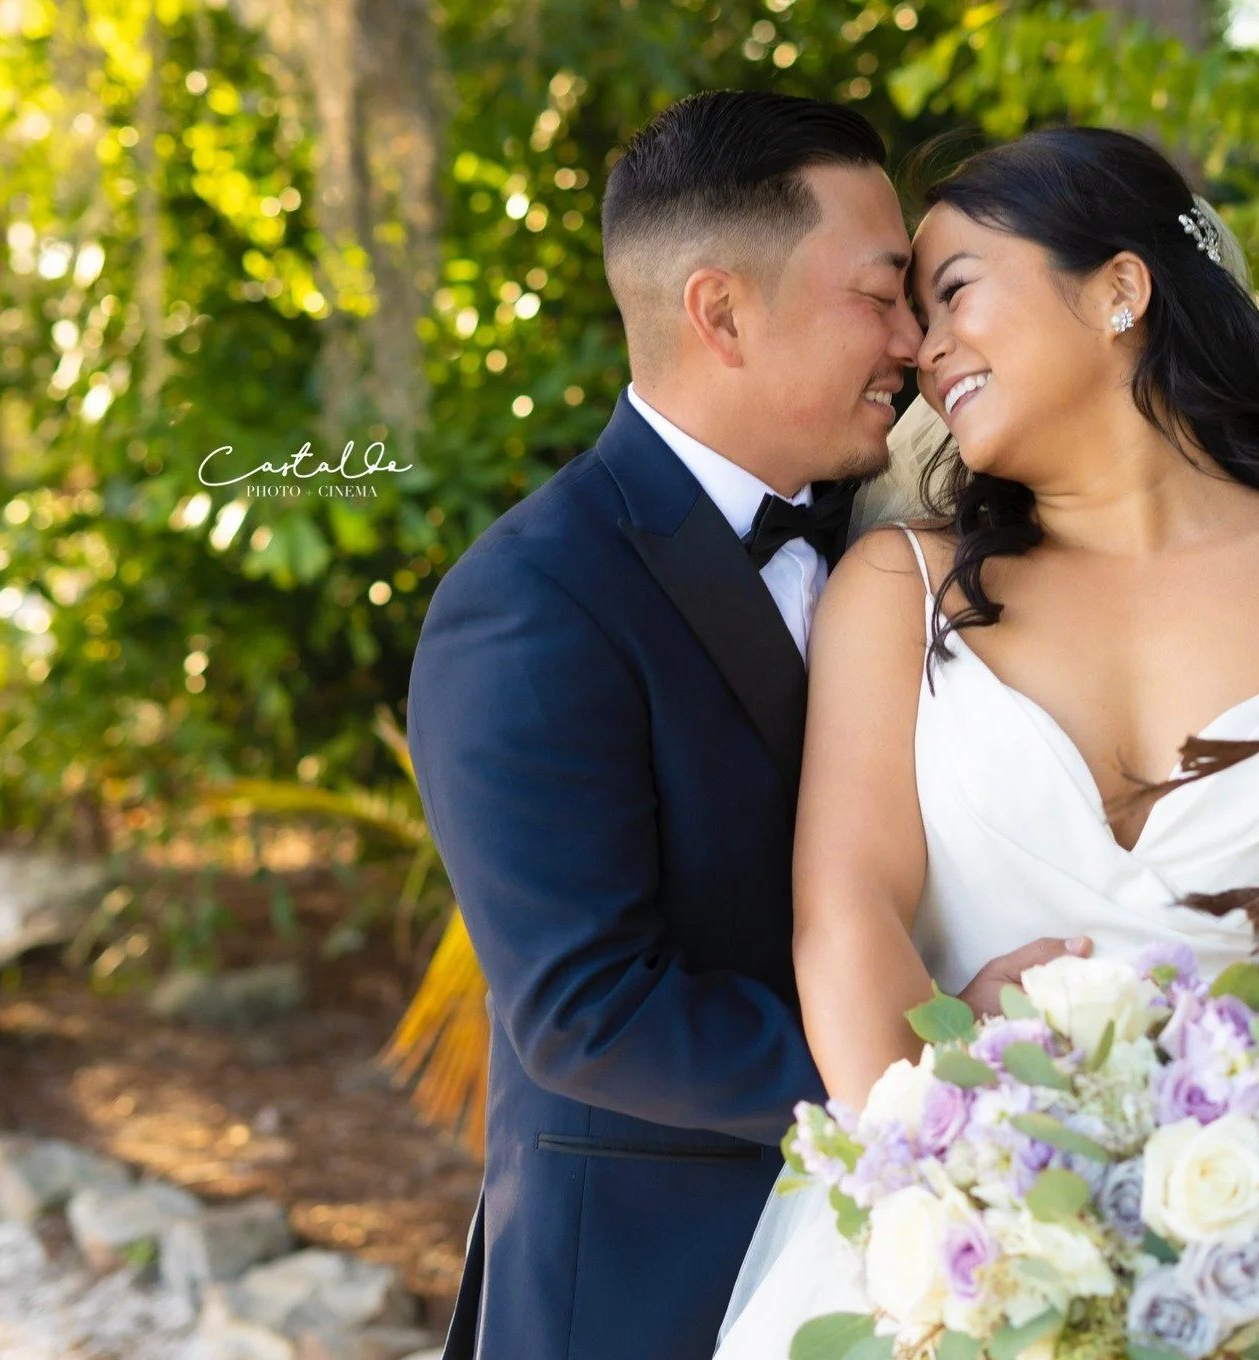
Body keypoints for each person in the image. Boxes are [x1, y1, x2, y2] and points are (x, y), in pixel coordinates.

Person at [713, 126, 1259, 1358]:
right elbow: (847, 915)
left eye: (955, 290)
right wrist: (970, 1211)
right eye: (915, 316)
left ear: (1120, 287)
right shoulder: (896, 588)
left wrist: (1250, 1223)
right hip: (958, 1260)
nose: (921, 351)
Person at [406, 92, 1081, 1360]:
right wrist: (934, 1058)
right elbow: (588, 1008)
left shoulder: (911, 545)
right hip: (652, 1286)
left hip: (934, 1270)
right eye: (880, 296)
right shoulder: (531, 599)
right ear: (719, 310)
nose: (913, 342)